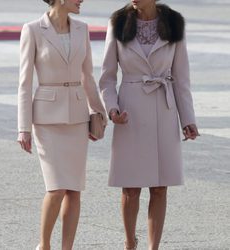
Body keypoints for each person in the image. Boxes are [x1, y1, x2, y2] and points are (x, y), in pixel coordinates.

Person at [99, 0, 200, 249]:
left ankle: (153, 247)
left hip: (164, 111)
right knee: (130, 188)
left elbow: (181, 78)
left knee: (159, 187)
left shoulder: (174, 23)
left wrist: (188, 120)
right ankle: (130, 242)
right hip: (129, 112)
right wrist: (112, 109)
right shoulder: (118, 22)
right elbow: (107, 77)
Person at [17, 0, 107, 249]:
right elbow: (24, 82)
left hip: (77, 118)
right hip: (46, 120)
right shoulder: (33, 29)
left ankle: (67, 247)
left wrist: (99, 113)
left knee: (74, 190)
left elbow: (87, 76)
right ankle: (44, 245)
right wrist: (23, 127)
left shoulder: (82, 29)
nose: (81, 0)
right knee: (56, 189)